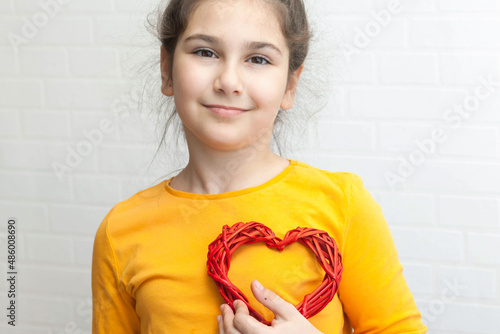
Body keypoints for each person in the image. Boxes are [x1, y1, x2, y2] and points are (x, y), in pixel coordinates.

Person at [91, 0, 427, 333]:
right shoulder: (120, 231)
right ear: (166, 69)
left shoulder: (343, 203)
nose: (229, 81)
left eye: (258, 59)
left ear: (290, 84)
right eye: (206, 52)